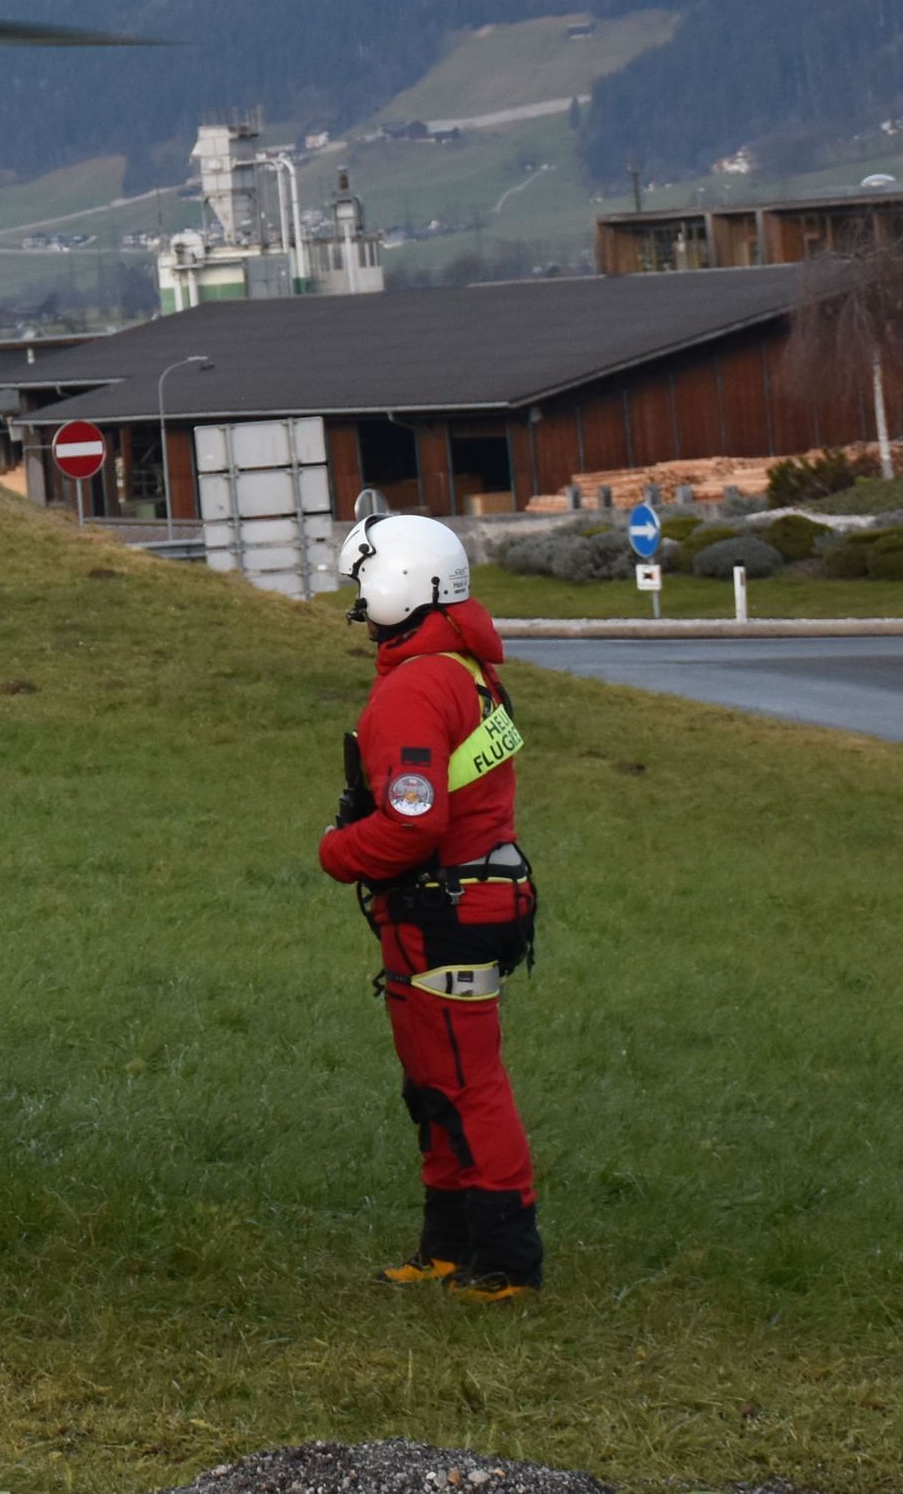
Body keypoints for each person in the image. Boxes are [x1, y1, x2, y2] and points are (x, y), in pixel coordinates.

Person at [319, 509, 542, 1300]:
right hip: (476, 898)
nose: (356, 595)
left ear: (397, 581)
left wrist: (337, 851)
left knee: (465, 1084)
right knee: (435, 1083)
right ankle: (447, 1246)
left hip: (440, 911)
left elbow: (412, 824)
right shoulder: (470, 672)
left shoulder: (416, 686)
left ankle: (506, 1260)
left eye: (361, 579)